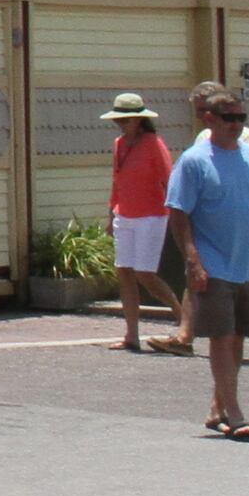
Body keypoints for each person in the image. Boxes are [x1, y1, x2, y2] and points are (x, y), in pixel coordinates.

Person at [162, 92, 249, 436]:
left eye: (241, 117)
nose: (237, 125)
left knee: (238, 337)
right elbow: (178, 213)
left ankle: (218, 407)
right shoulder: (195, 161)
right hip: (213, 264)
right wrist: (193, 261)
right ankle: (235, 414)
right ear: (208, 119)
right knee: (221, 337)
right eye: (229, 118)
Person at [101, 91, 182, 355]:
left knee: (144, 274)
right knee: (124, 271)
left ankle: (182, 315)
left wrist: (177, 214)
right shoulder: (118, 144)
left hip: (151, 215)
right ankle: (131, 335)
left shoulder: (153, 143)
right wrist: (111, 212)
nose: (122, 124)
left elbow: (168, 180)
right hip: (124, 214)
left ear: (140, 120)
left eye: (128, 119)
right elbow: (117, 180)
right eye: (120, 119)